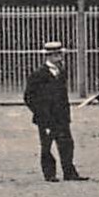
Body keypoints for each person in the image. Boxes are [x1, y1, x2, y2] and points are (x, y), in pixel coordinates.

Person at [22, 42, 87, 182]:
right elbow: (29, 97)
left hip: (62, 116)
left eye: (60, 54)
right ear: (48, 56)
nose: (59, 58)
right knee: (47, 146)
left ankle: (69, 172)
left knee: (67, 144)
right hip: (46, 117)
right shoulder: (38, 74)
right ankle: (50, 174)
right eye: (55, 55)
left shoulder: (61, 72)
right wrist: (41, 113)